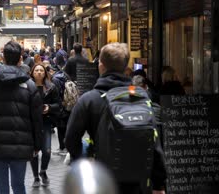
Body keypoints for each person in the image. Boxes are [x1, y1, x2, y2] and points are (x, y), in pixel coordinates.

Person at [65, 43, 166, 194]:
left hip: (103, 180)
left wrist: (86, 161)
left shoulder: (89, 99)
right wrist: (159, 184)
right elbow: (154, 142)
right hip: (138, 181)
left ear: (101, 65)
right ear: (126, 67)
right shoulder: (141, 96)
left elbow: (70, 140)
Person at [0, 41, 43, 194]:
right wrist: (38, 144)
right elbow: (37, 119)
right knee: (19, 186)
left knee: (1, 189)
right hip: (21, 145)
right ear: (20, 59)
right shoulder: (29, 85)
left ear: (3, 58)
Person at [29, 63, 61, 188]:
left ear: (45, 73)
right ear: (32, 72)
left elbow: (58, 105)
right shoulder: (27, 86)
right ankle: (35, 177)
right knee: (33, 152)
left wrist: (49, 108)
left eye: (41, 70)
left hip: (46, 122)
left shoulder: (51, 87)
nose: (39, 72)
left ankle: (43, 171)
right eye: (36, 70)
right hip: (32, 123)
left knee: (47, 151)